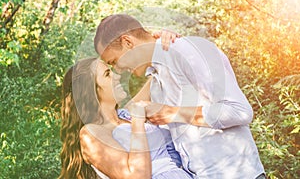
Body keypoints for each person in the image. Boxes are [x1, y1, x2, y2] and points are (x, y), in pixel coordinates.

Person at [94, 14, 266, 179]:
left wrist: (172, 112)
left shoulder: (188, 50)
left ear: (128, 42)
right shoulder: (155, 82)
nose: (117, 70)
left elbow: (240, 111)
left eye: (114, 61)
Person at [59, 57, 192, 179]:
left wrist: (163, 44)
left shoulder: (126, 115)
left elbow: (156, 78)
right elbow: (136, 176)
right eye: (107, 74)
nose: (116, 76)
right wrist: (138, 122)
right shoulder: (91, 134)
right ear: (91, 92)